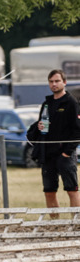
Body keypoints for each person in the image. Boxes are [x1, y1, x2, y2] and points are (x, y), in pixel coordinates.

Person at [26, 69, 80, 212]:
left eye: (57, 81)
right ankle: (53, 227)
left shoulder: (71, 102)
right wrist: (38, 127)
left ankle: (76, 225)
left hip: (65, 155)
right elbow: (40, 125)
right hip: (48, 154)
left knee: (72, 189)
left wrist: (67, 153)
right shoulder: (46, 103)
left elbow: (77, 130)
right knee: (49, 191)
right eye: (51, 81)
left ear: (64, 82)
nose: (54, 84)